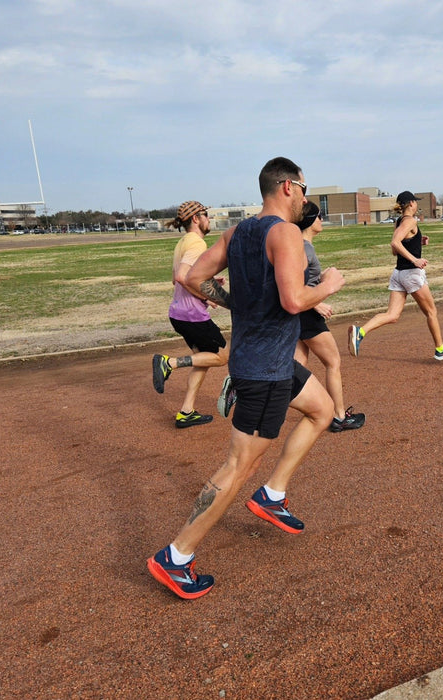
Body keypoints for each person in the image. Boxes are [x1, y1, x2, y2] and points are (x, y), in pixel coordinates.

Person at [147, 157, 345, 599]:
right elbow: (295, 300)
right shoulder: (286, 233)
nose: (307, 199)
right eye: (306, 189)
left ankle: (272, 495)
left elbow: (193, 276)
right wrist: (328, 285)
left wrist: (238, 304)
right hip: (265, 371)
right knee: (239, 466)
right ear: (289, 186)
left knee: (322, 409)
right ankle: (176, 556)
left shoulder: (238, 233)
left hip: (266, 360)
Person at [348, 191, 443, 361]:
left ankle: (360, 332)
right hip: (411, 274)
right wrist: (415, 260)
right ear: (411, 203)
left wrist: (417, 241)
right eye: (416, 202)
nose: (417, 205)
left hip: (398, 274)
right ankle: (440, 349)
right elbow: (395, 243)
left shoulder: (399, 222)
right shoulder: (410, 221)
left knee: (392, 315)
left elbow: (395, 249)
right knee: (431, 311)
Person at [151, 200, 231, 428]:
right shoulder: (196, 243)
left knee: (203, 360)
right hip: (191, 315)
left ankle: (186, 411)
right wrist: (208, 296)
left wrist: (208, 284)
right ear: (196, 218)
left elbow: (176, 278)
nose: (209, 219)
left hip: (178, 313)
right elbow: (182, 277)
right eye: (206, 214)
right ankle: (170, 363)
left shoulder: (183, 243)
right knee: (222, 356)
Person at [293, 201, 365, 432]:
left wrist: (323, 275)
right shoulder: (305, 248)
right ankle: (339, 417)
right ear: (310, 220)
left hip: (299, 315)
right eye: (319, 216)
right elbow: (295, 285)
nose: (322, 220)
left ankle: (258, 400)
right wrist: (317, 304)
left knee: (297, 365)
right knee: (333, 362)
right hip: (307, 314)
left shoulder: (301, 246)